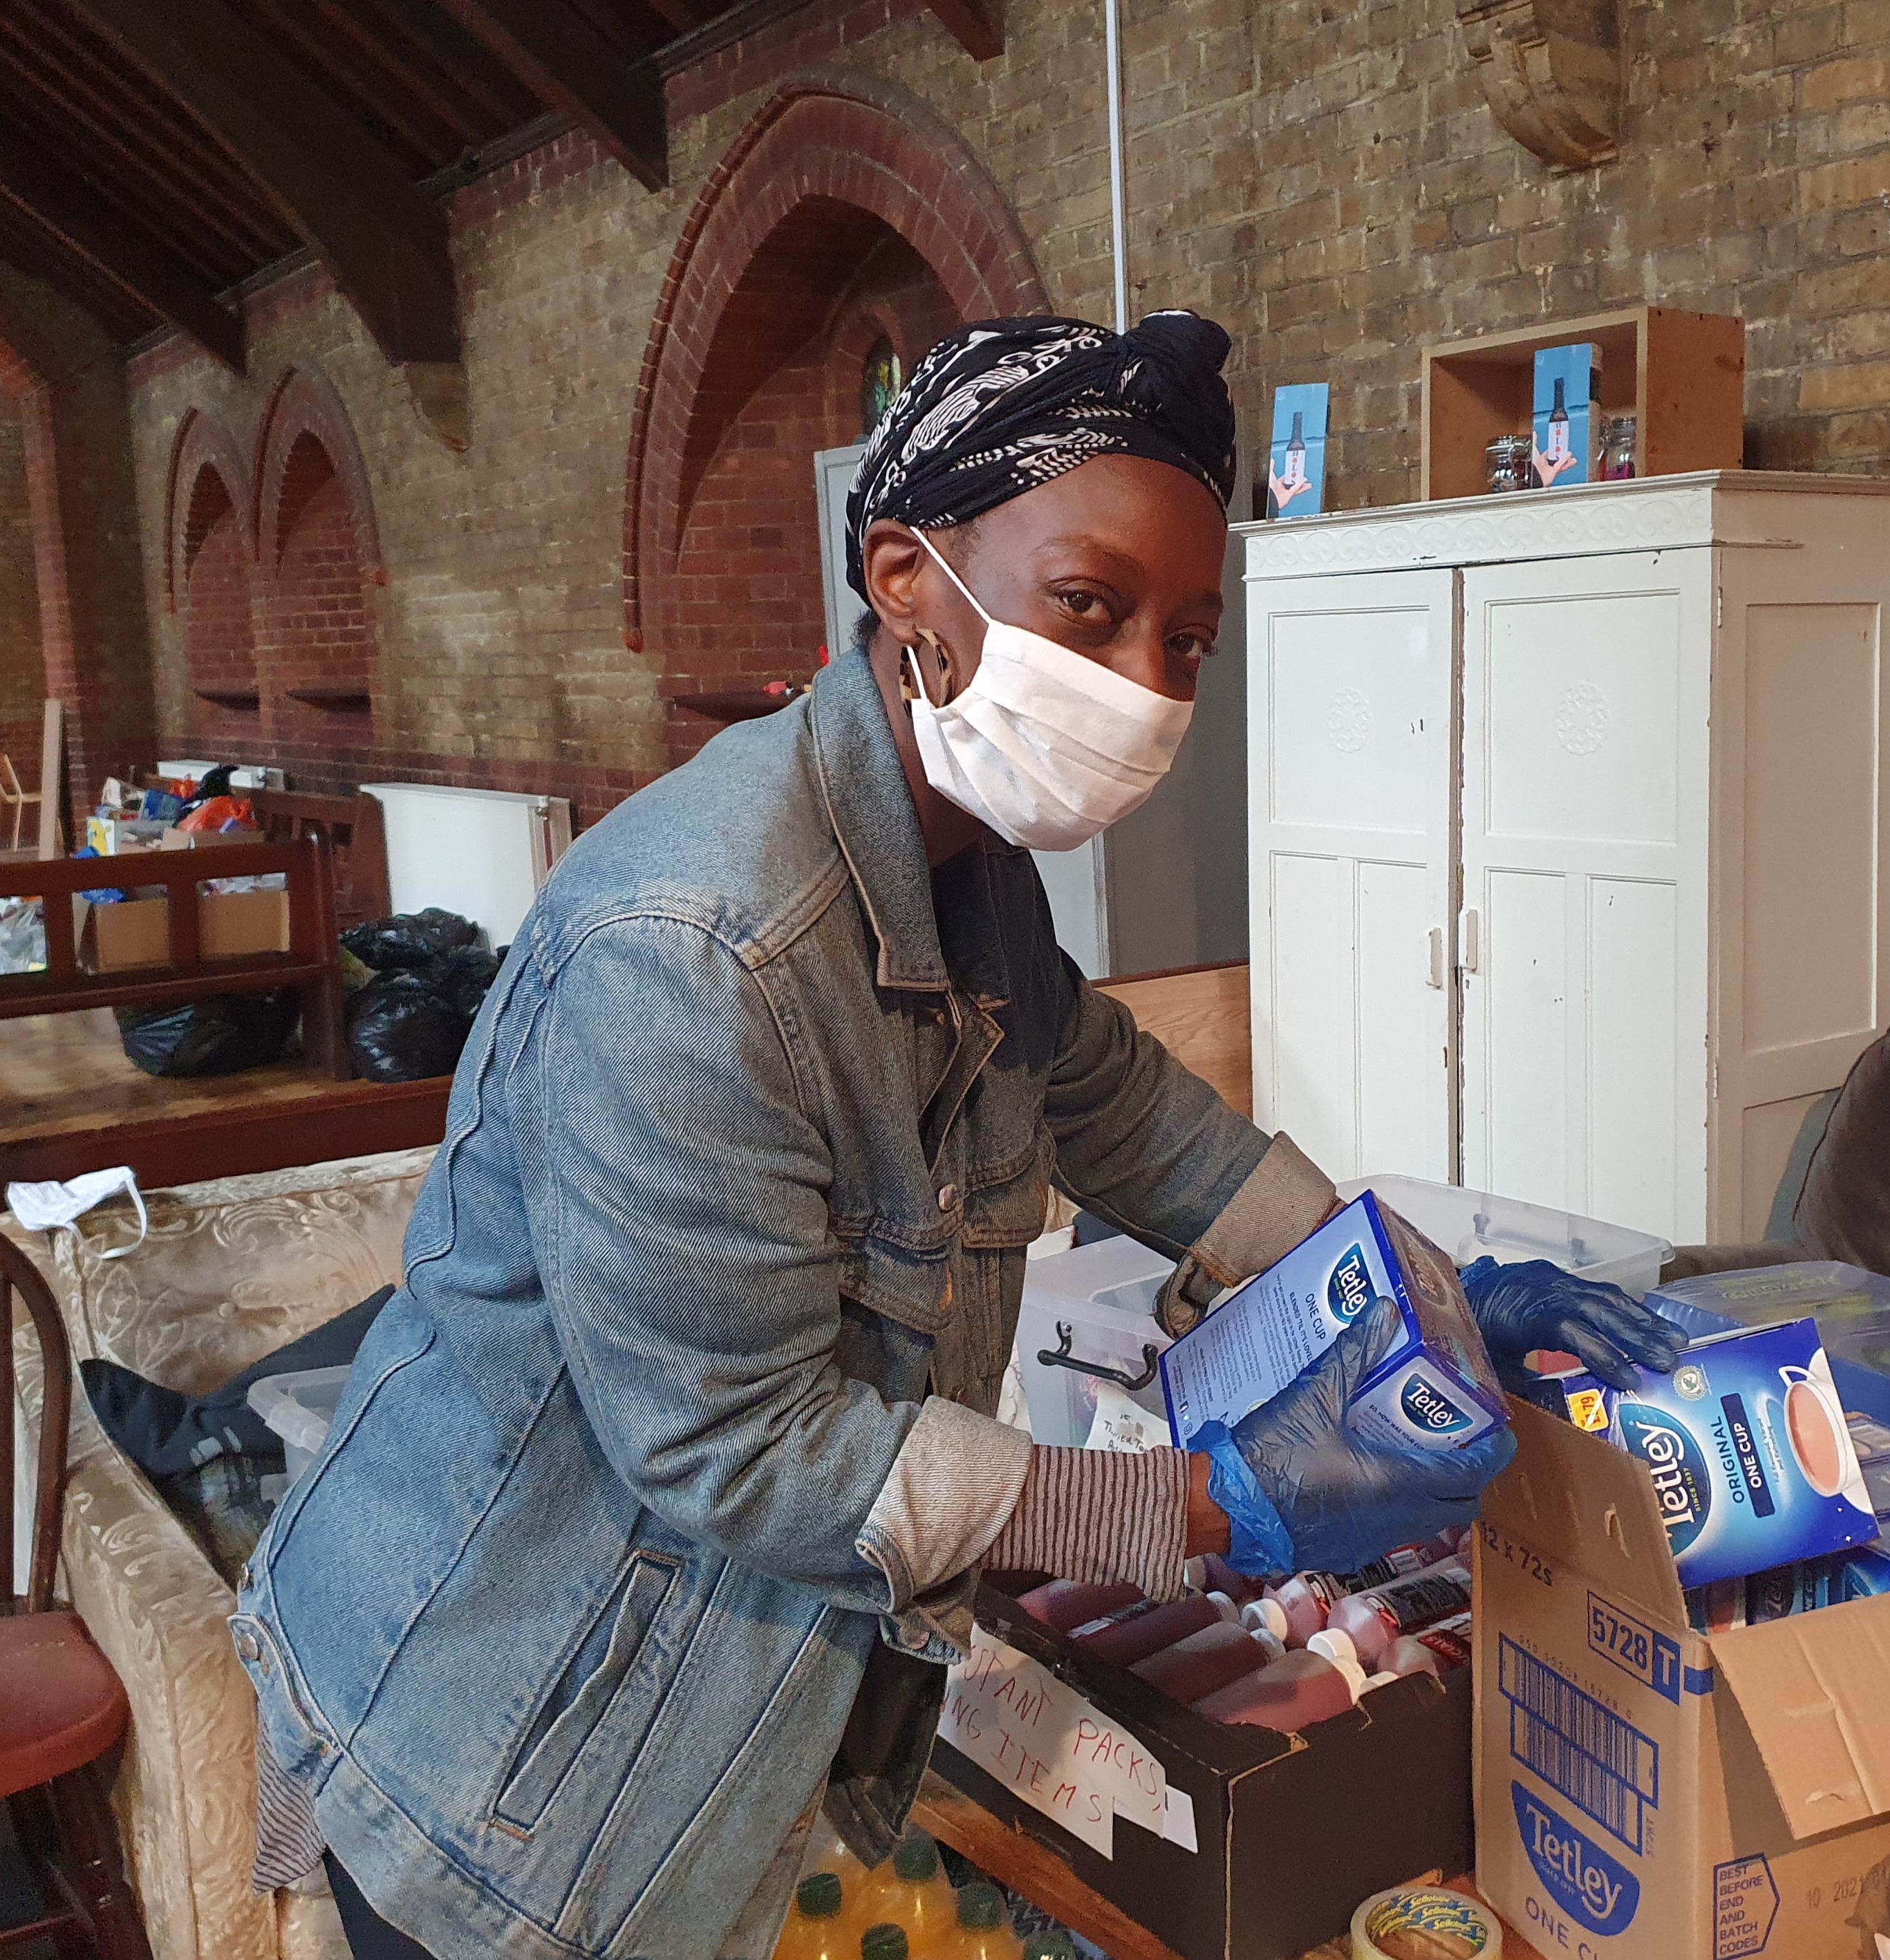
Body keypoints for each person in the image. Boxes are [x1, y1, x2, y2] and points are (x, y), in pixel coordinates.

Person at [232, 312, 1679, 1960]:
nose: (1142, 687)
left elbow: (1137, 1118)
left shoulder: (967, 868)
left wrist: (1411, 1291)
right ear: (908, 577)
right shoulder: (699, 947)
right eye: (1092, 607)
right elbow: (747, 1450)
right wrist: (1194, 1508)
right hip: (499, 1747)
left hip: (706, 1713)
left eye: (1187, 640)